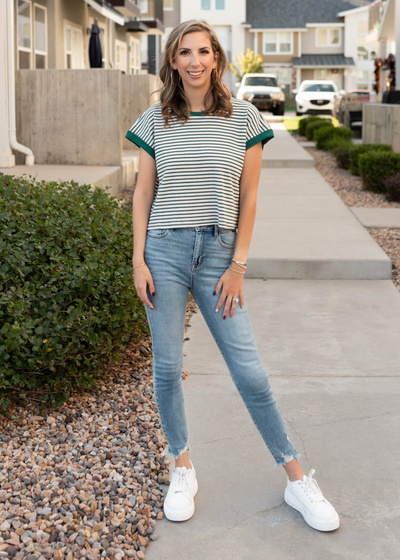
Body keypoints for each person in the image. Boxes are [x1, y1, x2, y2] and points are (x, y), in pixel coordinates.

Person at [125, 19, 340, 533]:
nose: (194, 61)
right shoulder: (156, 119)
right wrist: (138, 260)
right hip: (165, 252)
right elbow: (142, 196)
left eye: (203, 52)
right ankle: (182, 466)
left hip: (221, 256)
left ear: (217, 58)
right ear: (173, 62)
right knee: (166, 367)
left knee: (250, 373)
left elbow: (248, 197)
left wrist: (238, 264)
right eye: (184, 53)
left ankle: (294, 477)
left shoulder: (244, 118)